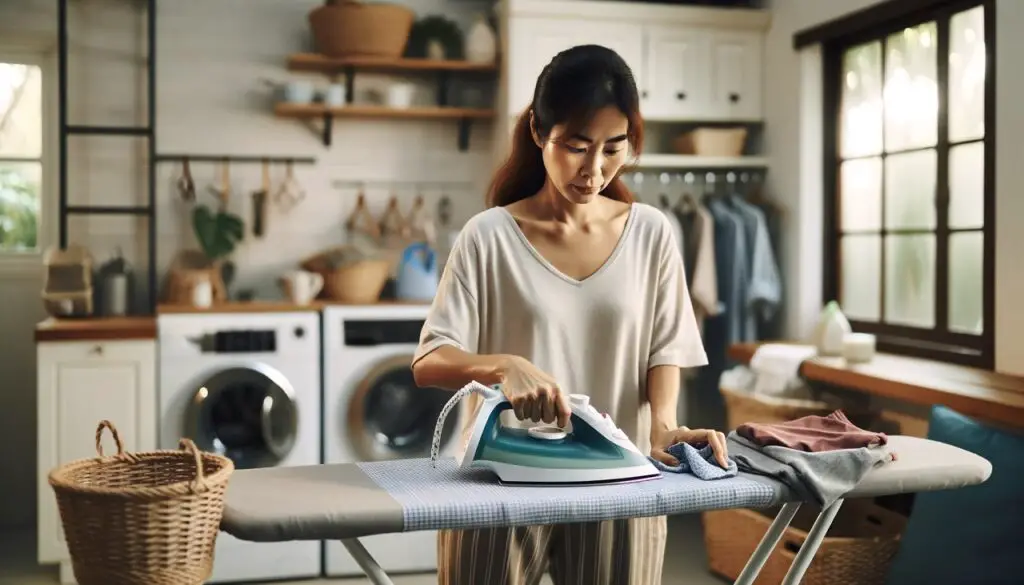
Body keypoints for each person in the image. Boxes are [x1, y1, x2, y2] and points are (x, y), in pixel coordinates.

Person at [410, 44, 729, 585]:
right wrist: (503, 367)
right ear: (539, 133)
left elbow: (665, 349)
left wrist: (666, 427)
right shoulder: (488, 237)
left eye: (613, 148)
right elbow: (429, 360)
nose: (595, 170)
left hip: (621, 486)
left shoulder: (651, 233)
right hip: (499, 488)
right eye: (577, 147)